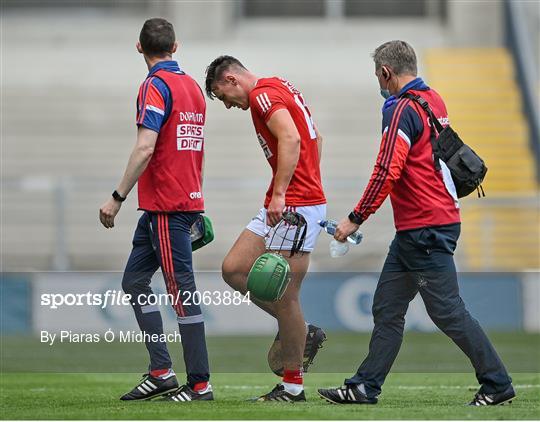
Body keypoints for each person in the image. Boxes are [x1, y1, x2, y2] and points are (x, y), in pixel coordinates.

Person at [317, 40, 515, 406]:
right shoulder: (432, 99)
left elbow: (387, 170)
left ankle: (497, 383)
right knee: (387, 307)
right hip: (423, 227)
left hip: (425, 228)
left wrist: (354, 219)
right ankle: (364, 386)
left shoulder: (399, 109)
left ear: (386, 73)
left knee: (447, 311)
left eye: (378, 75)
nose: (378, 83)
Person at [99, 18, 212, 402]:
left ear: (138, 47)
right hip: (172, 203)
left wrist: (117, 196)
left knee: (182, 293)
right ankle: (162, 372)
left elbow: (147, 146)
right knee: (134, 281)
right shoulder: (193, 87)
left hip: (167, 206)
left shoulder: (155, 85)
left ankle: (200, 385)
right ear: (175, 47)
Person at [205, 56, 327, 402]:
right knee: (233, 268)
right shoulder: (279, 86)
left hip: (295, 206)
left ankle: (292, 387)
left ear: (231, 79)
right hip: (289, 201)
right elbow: (317, 138)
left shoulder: (262, 94)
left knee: (285, 297)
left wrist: (283, 193)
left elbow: (291, 138)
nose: (229, 105)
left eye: (224, 96)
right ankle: (300, 333)